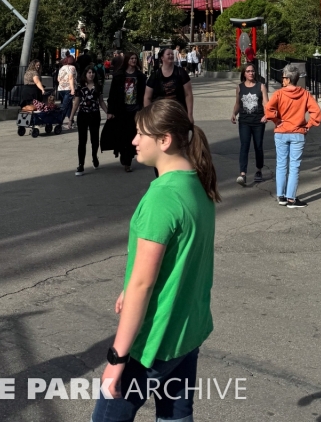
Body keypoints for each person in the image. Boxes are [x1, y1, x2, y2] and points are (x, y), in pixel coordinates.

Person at [94, 100, 219, 422]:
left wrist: (117, 357)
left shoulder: (162, 197)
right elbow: (180, 258)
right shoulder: (196, 182)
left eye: (140, 134)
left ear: (164, 140)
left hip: (154, 340)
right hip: (187, 329)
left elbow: (143, 282)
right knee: (175, 417)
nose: (134, 141)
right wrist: (128, 288)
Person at [265, 63, 321, 208]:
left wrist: (277, 120)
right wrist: (308, 125)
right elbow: (318, 114)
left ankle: (281, 196)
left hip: (281, 131)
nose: (282, 80)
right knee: (294, 166)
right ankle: (291, 198)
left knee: (281, 164)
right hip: (298, 132)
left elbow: (268, 109)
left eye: (283, 77)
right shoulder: (305, 94)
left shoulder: (279, 94)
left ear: (289, 79)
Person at [107, 52, 146, 171]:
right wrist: (110, 111)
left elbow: (145, 93)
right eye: (131, 58)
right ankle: (124, 157)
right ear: (127, 60)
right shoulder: (119, 75)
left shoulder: (140, 76)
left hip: (135, 110)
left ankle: (127, 160)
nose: (134, 60)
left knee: (132, 134)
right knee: (123, 135)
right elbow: (112, 94)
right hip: (122, 110)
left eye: (135, 58)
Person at [231, 63, 268, 186]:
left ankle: (258, 170)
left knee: (258, 146)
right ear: (244, 74)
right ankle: (243, 174)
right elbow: (237, 103)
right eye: (248, 71)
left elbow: (266, 104)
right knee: (244, 146)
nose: (251, 73)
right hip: (244, 121)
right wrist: (234, 114)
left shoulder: (261, 86)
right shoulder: (240, 87)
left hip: (258, 121)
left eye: (252, 71)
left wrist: (266, 115)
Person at [71, 65, 108, 175]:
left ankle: (94, 157)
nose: (91, 74)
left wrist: (108, 112)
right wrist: (71, 117)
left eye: (93, 73)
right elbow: (76, 102)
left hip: (95, 115)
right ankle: (81, 165)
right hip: (83, 115)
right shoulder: (80, 86)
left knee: (94, 139)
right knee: (82, 141)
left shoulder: (98, 86)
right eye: (89, 72)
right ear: (85, 74)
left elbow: (101, 101)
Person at [144, 47, 194, 124]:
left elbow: (188, 94)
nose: (171, 55)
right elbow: (147, 97)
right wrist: (148, 115)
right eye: (168, 54)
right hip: (160, 115)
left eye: (172, 54)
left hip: (178, 113)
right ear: (162, 57)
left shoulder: (181, 72)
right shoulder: (155, 75)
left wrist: (190, 114)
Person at [56, 54, 77, 123]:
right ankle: (60, 120)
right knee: (65, 106)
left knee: (68, 104)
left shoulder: (61, 68)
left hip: (61, 89)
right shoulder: (72, 67)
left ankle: (71, 120)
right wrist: (73, 89)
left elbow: (58, 79)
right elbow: (71, 78)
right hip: (69, 88)